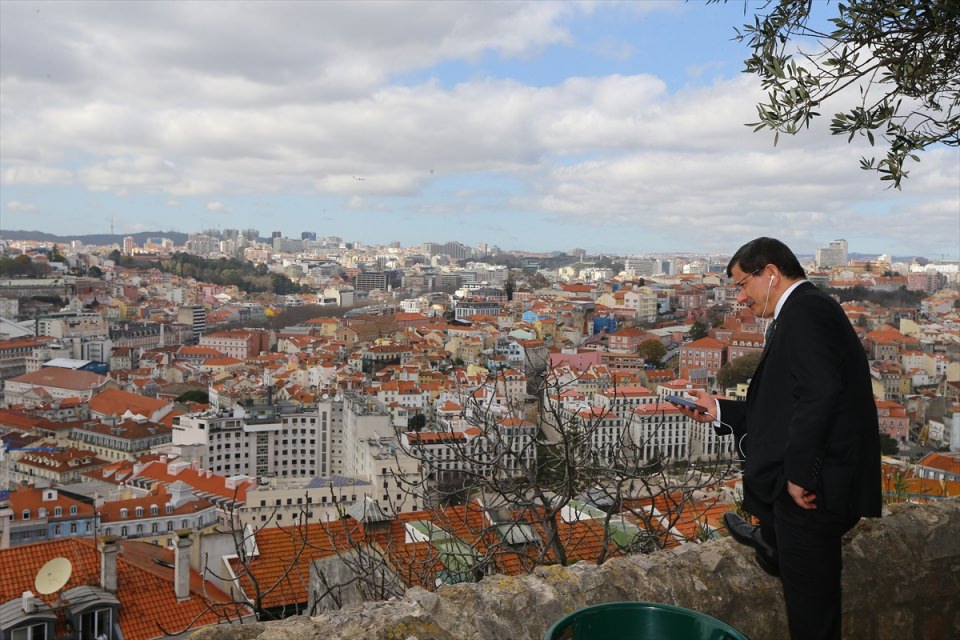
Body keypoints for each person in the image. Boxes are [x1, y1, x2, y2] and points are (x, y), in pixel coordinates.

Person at [681, 237, 881, 640]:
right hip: (816, 487)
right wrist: (718, 409)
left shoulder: (805, 312)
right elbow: (782, 407)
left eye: (742, 284)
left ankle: (774, 541)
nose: (740, 298)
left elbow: (819, 394)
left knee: (812, 618)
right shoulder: (805, 309)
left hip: (814, 495)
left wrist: (800, 474)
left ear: (770, 273)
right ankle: (772, 541)